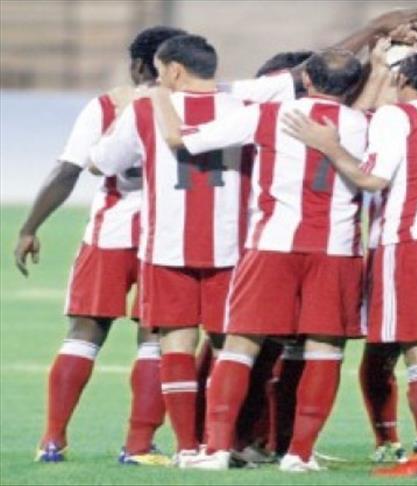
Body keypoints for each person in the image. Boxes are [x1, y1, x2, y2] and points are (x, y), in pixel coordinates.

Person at [151, 48, 368, 473]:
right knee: (325, 351)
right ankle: (299, 455)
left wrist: (160, 94)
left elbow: (181, 140)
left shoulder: (269, 115)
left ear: (307, 80)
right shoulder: (365, 123)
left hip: (272, 245)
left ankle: (216, 449)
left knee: (239, 346)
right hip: (337, 248)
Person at [284, 50, 417, 479]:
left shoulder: (398, 116)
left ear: (406, 82)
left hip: (412, 242)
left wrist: (329, 145)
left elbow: (371, 178)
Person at [14, 25, 185, 465]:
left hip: (109, 233)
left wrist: (30, 227)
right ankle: (139, 446)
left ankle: (52, 441)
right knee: (156, 339)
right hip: (168, 236)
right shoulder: (194, 106)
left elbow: (68, 170)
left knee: (84, 335)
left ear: (137, 65)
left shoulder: (107, 106)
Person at [89, 34, 247, 467]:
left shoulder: (144, 109)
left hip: (167, 246)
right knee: (230, 348)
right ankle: (221, 443)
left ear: (174, 70)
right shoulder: (244, 109)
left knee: (176, 345)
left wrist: (131, 110)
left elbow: (101, 163)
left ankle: (186, 447)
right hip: (232, 247)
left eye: (159, 72)